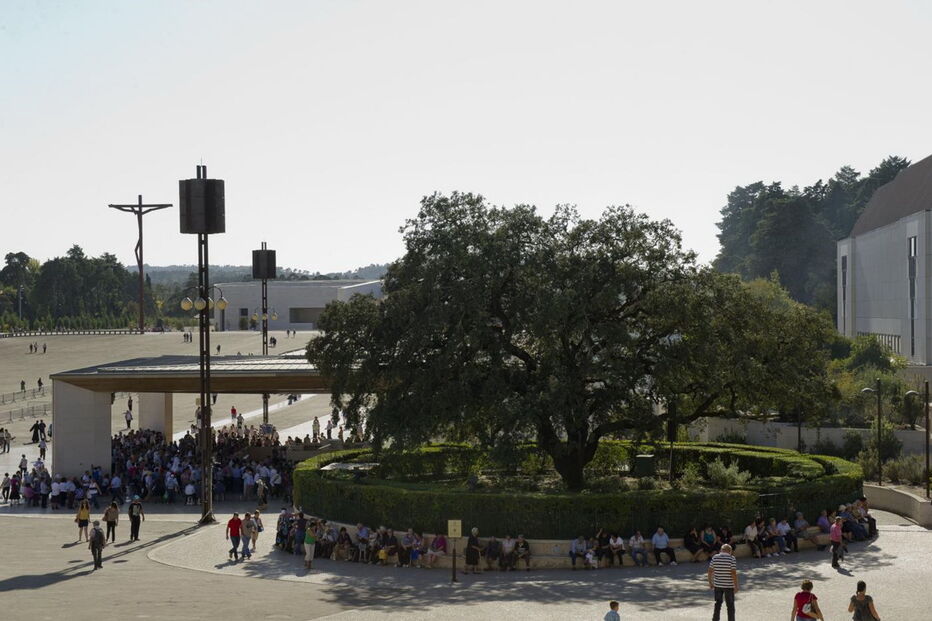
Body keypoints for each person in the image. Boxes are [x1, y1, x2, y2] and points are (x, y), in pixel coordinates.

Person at [707, 543, 738, 621]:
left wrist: (710, 583)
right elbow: (733, 573)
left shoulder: (715, 557)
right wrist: (736, 585)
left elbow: (710, 571)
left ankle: (715, 619)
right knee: (730, 606)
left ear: (721, 550)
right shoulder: (732, 558)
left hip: (717, 585)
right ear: (730, 551)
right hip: (729, 586)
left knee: (717, 604)